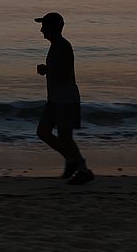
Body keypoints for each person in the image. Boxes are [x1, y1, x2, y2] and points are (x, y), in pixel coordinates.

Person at [34, 12, 94, 184]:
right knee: (43, 132)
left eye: (44, 26)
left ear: (52, 28)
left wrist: (47, 70)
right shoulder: (56, 45)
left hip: (66, 100)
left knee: (65, 137)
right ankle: (71, 160)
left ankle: (83, 169)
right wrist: (48, 69)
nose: (41, 30)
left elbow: (66, 74)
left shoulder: (63, 46)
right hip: (55, 99)